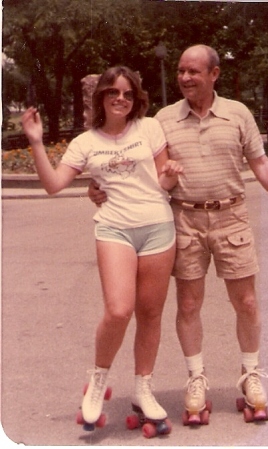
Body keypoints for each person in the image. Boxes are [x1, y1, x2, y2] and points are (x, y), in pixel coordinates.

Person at [88, 46, 268, 420]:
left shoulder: (237, 113)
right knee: (188, 305)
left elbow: (260, 162)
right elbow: (130, 156)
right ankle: (195, 378)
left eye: (193, 71)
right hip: (184, 219)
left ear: (214, 74)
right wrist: (99, 185)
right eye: (181, 71)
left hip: (231, 217)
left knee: (246, 301)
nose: (185, 78)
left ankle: (250, 374)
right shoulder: (162, 120)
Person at [21, 66, 183, 427]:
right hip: (115, 229)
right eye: (113, 93)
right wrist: (35, 141)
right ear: (102, 98)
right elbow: (53, 184)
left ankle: (143, 388)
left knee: (151, 313)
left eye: (127, 93)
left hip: (158, 225)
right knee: (118, 310)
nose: (121, 99)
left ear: (135, 98)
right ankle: (98, 381)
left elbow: (163, 181)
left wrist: (171, 171)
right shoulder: (86, 142)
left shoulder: (150, 127)